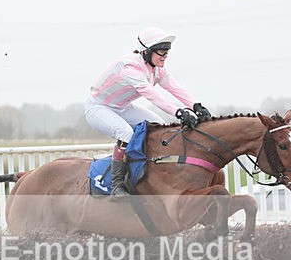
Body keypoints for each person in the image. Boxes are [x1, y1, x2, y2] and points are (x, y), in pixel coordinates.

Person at [85, 27, 211, 197]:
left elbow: (175, 87)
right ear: (146, 51)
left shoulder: (156, 68)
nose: (165, 56)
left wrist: (196, 105)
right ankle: (116, 185)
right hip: (99, 108)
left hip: (123, 107)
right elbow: (152, 96)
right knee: (125, 133)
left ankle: (151, 172)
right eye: (161, 52)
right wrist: (179, 112)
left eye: (167, 52)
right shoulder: (130, 67)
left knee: (160, 128)